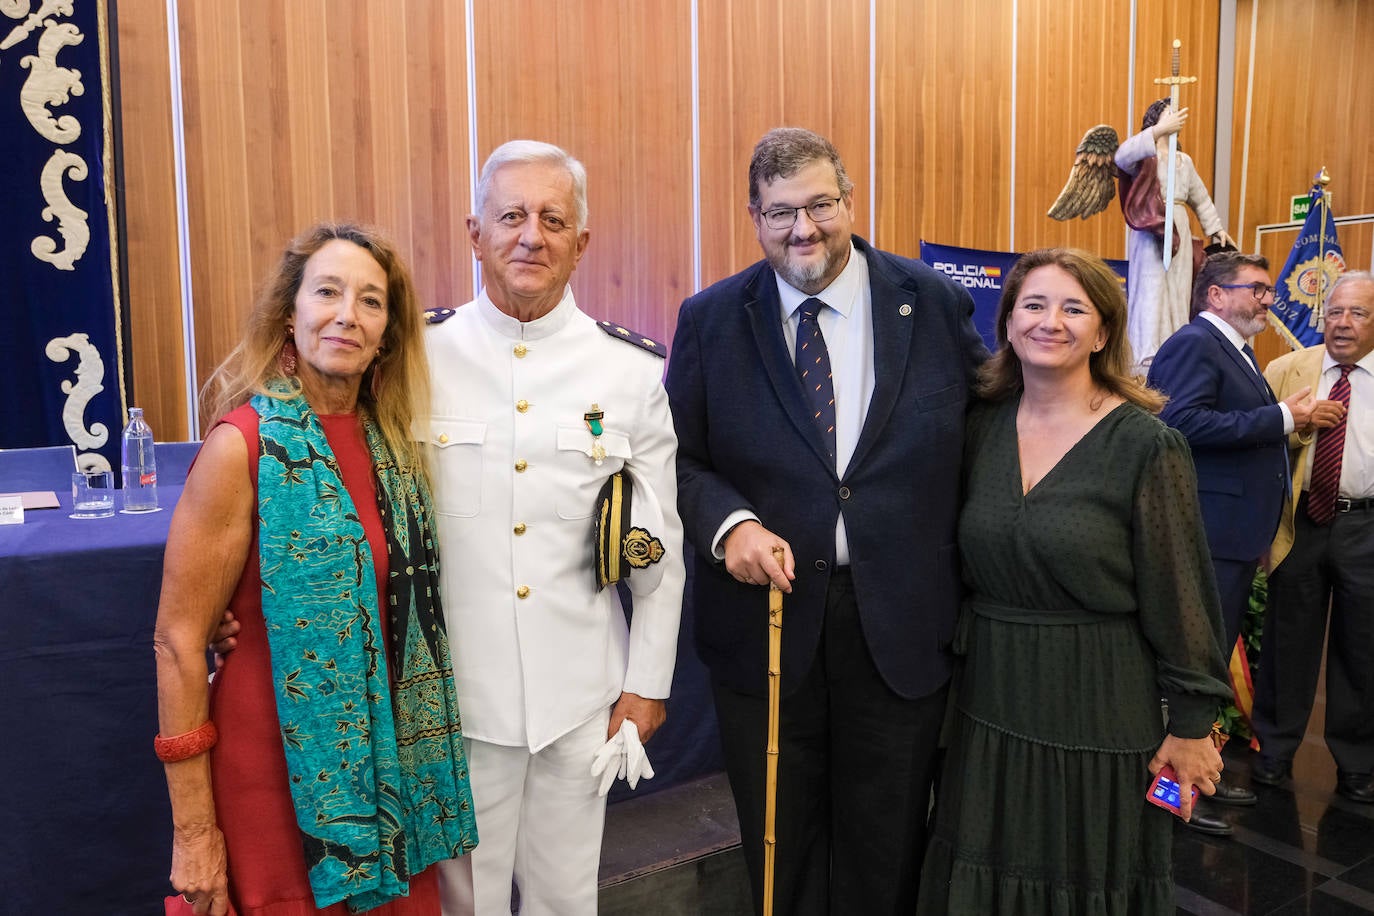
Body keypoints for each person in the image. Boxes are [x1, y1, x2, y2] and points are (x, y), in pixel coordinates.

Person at [664, 127, 987, 915]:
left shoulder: (932, 301)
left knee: (890, 845)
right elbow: (678, 458)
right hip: (766, 629)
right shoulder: (711, 319)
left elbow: (988, 427)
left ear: (849, 201)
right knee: (783, 847)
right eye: (781, 213)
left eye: (819, 206)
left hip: (902, 629)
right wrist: (731, 525)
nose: (802, 230)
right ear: (755, 217)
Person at [154, 222, 478, 916]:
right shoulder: (243, 446)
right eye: (327, 292)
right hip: (270, 769)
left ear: (387, 333)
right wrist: (194, 833)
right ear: (289, 314)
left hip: (390, 778)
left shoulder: (397, 449)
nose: (347, 315)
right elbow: (178, 641)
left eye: (370, 301)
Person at [917, 247, 1231, 914]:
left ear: (1103, 332)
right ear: (1007, 323)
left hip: (1097, 700)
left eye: (1073, 308)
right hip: (989, 695)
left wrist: (1192, 724)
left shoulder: (1146, 444)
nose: (1049, 321)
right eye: (1033, 305)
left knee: (1082, 870)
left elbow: (1182, 592)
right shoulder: (980, 427)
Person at [425, 140, 685, 915]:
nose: (530, 236)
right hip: (459, 701)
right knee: (464, 905)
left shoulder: (628, 371)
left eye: (552, 219)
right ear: (475, 233)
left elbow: (659, 546)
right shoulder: (418, 357)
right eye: (511, 216)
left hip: (582, 700)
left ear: (581, 242)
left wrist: (647, 683)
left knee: (566, 902)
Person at [1146, 250, 1316, 835]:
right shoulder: (1197, 344)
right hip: (1209, 536)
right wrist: (1282, 418)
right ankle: (1170, 797)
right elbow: (1179, 423)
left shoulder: (1235, 350)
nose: (1268, 300)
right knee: (1194, 668)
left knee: (1209, 664)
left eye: (1268, 290)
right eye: (1257, 289)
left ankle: (1194, 781)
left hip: (1233, 538)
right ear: (1216, 295)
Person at [1251, 271, 1374, 803]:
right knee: (1287, 640)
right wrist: (1299, 425)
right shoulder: (1287, 369)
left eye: (1358, 313)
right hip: (1300, 522)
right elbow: (1255, 442)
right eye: (1335, 312)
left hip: (1366, 525)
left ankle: (1358, 764)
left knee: (1363, 647)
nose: (1342, 323)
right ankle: (1274, 751)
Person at [1115, 99, 1234, 369]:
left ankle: (1175, 344)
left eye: (1177, 114)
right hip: (1151, 226)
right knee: (1151, 286)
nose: (1176, 118)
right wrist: (1158, 132)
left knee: (1179, 287)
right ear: (1157, 119)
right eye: (1170, 113)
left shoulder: (1183, 161)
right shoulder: (1143, 156)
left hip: (1178, 222)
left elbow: (1200, 198)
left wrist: (1215, 227)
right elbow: (1121, 156)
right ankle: (1146, 348)